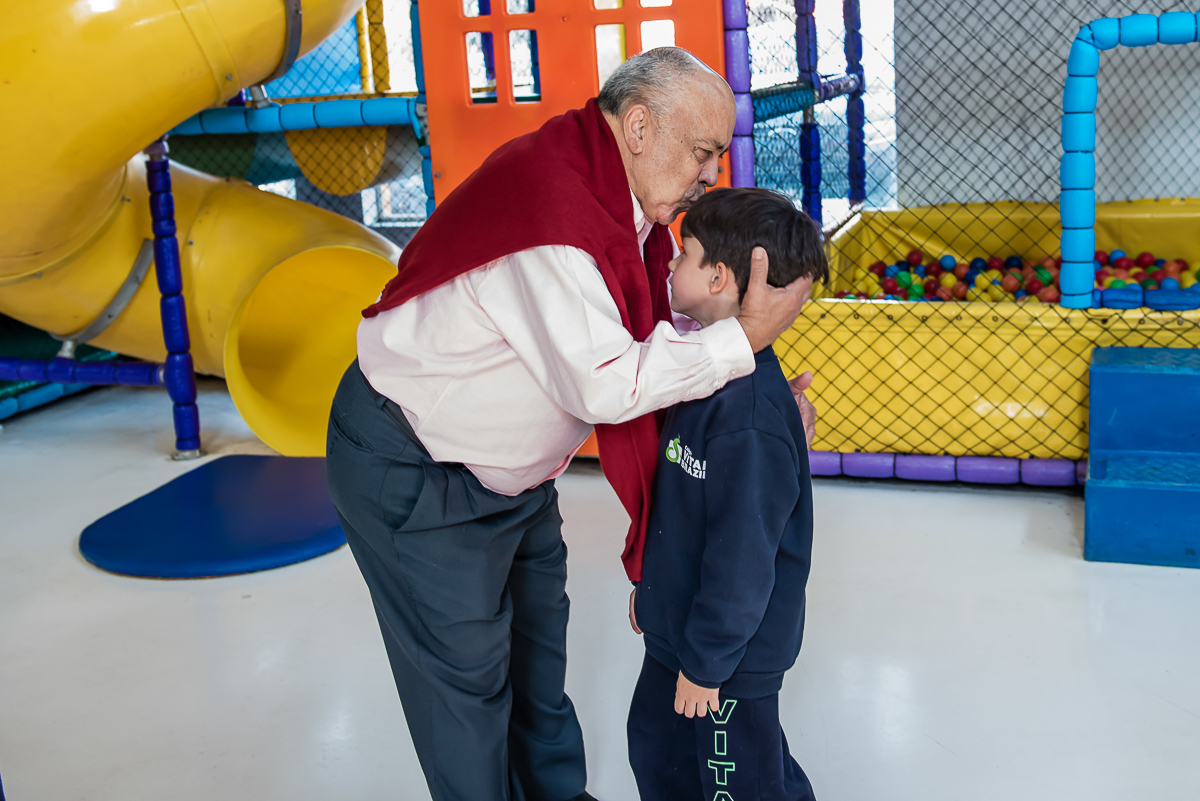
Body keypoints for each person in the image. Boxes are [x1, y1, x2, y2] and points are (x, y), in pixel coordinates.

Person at [325, 48, 816, 801]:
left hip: (514, 480)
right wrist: (741, 341)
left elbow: (661, 340)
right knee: (467, 686)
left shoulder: (621, 202)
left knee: (536, 668)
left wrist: (766, 409)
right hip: (417, 465)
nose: (709, 173)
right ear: (642, 126)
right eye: (702, 152)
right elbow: (609, 383)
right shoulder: (549, 208)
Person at [626, 187, 827, 801]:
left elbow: (743, 558)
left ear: (717, 278)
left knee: (737, 783)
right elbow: (683, 511)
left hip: (725, 664)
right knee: (658, 756)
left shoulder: (748, 419)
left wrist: (707, 662)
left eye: (683, 254)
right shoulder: (703, 370)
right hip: (680, 637)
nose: (668, 262)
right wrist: (654, 599)